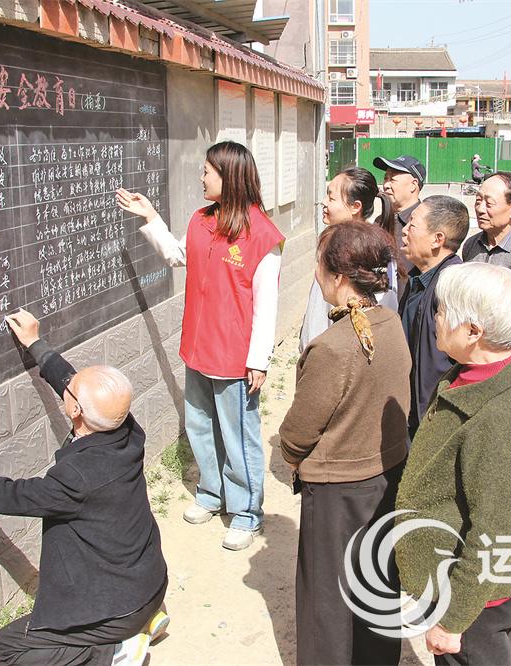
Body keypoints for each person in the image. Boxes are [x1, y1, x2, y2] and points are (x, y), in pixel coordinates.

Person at [0, 309, 169, 666]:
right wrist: (35, 343)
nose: (68, 386)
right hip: (149, 583)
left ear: (75, 411)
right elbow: (74, 386)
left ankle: (115, 651)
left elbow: (13, 495)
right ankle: (145, 621)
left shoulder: (77, 477)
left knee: (7, 647)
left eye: (70, 393)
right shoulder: (125, 428)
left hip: (116, 607)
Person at [116, 141, 284, 551]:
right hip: (198, 346)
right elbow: (178, 256)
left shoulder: (262, 235)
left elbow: (266, 304)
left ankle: (246, 511)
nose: (201, 177)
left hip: (235, 358)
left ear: (230, 176)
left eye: (208, 171)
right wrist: (151, 217)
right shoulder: (200, 220)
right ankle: (212, 492)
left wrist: (259, 360)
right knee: (200, 426)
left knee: (238, 436)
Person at [394, 262, 511, 665]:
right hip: (456, 581)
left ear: (474, 331)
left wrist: (454, 620)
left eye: (443, 311)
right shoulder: (473, 374)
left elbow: (495, 529)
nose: (436, 318)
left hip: (477, 601)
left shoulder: (500, 415)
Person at [280, 221, 411, 666]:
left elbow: (298, 432)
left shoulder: (333, 347)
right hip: (386, 477)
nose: (316, 273)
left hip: (336, 491)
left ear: (337, 277)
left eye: (319, 264)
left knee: (327, 600)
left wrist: (291, 456)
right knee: (375, 584)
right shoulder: (390, 322)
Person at [300, 166, 400, 350]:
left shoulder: (366, 250)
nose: (324, 202)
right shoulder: (336, 241)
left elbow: (385, 305)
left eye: (331, 198)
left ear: (355, 207)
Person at [398, 195, 470, 437]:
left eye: (412, 224)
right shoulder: (417, 277)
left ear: (437, 239)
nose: (404, 231)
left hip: (434, 419)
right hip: (411, 413)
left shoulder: (454, 285)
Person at [374, 154, 427, 277]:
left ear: (413, 185)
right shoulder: (380, 221)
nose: (386, 185)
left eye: (392, 180)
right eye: (385, 179)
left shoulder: (425, 223)